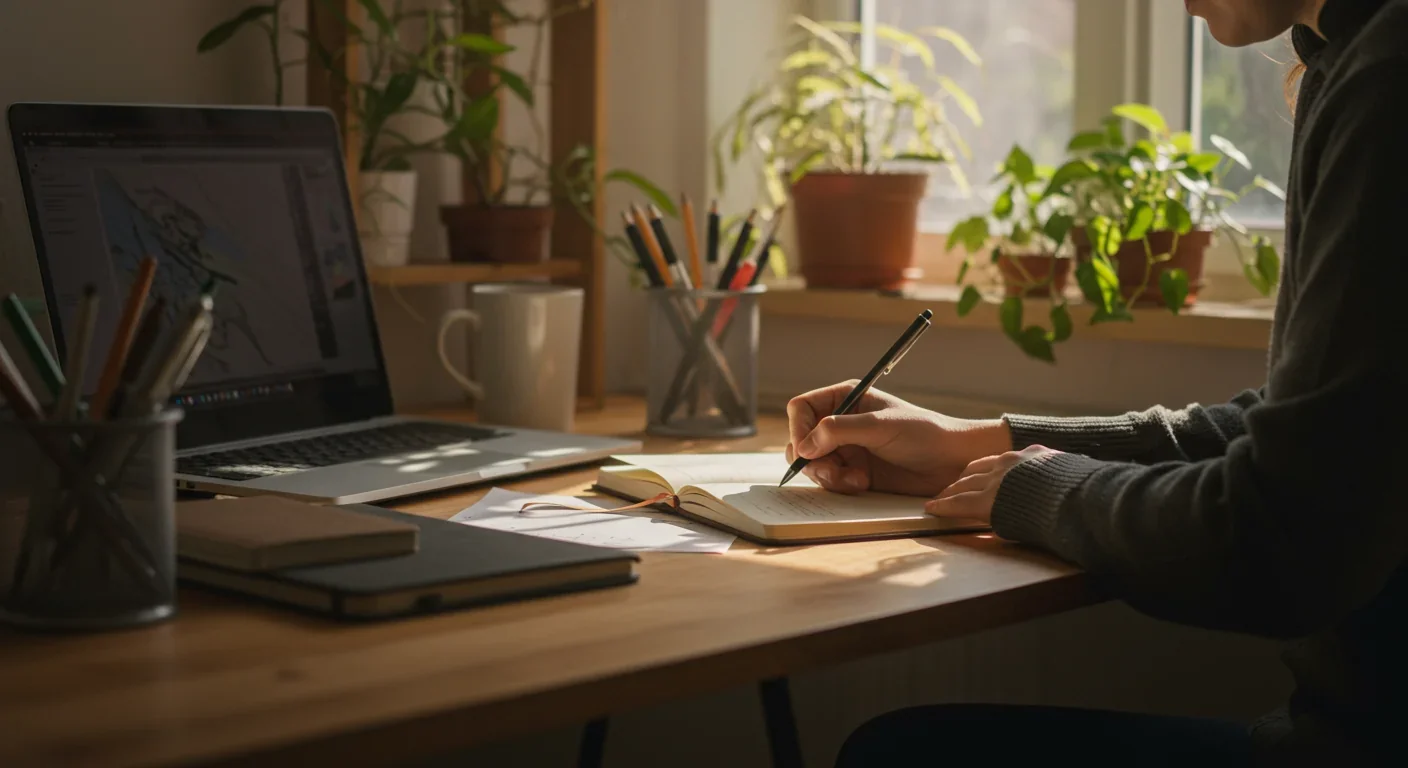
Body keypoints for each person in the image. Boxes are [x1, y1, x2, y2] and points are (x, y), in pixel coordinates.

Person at [787, 0, 1408, 765]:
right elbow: (1298, 436)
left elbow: (1285, 537)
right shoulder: (1349, 51)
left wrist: (1046, 490)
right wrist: (976, 445)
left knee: (897, 754)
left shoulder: (1389, 74)